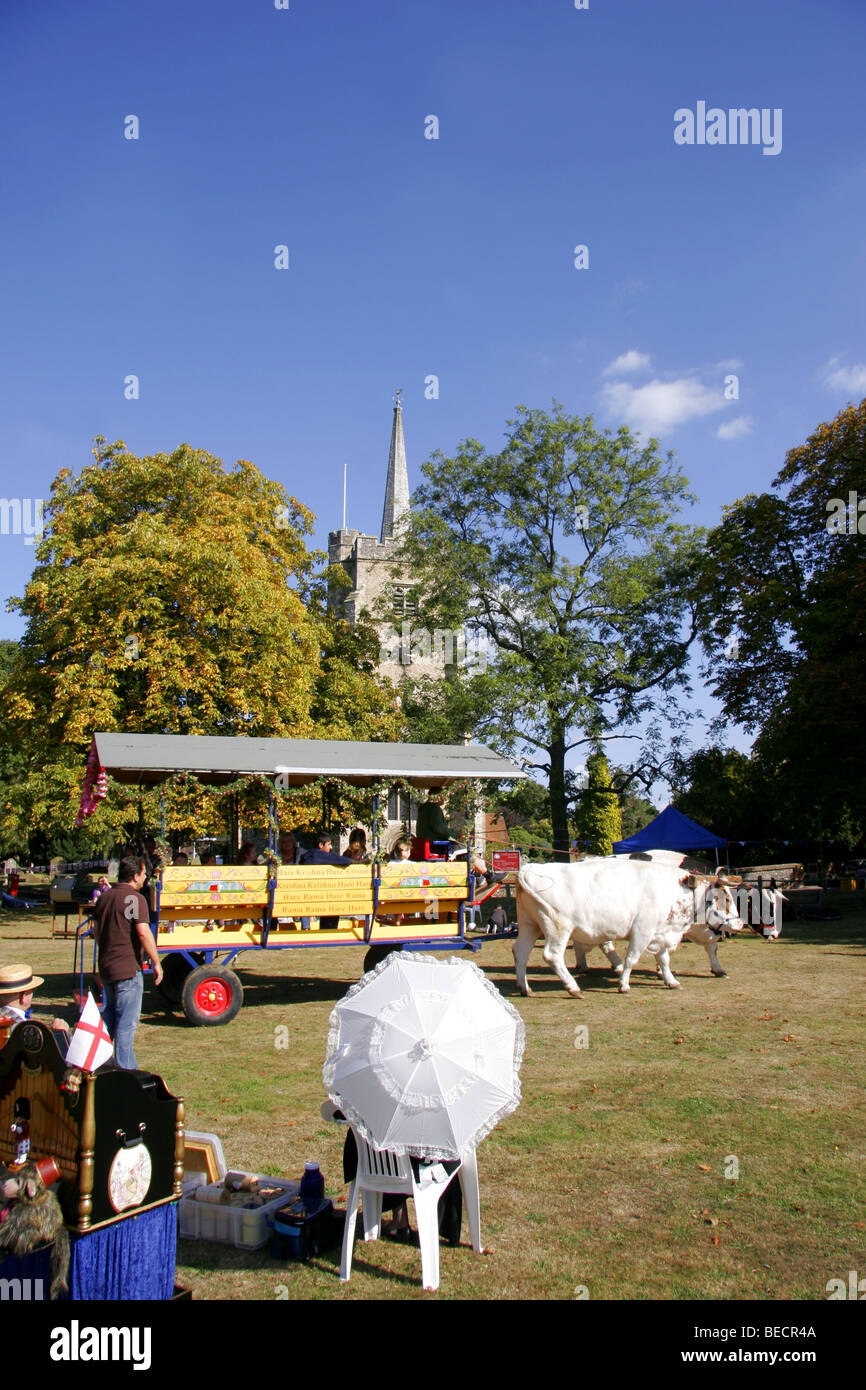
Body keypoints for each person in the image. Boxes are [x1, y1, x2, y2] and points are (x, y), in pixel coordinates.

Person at [91, 855, 163, 1070]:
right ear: (135, 875)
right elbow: (142, 932)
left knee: (110, 1018)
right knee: (126, 1026)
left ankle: (94, 1058)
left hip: (107, 968)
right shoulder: (135, 899)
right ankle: (126, 1073)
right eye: (143, 874)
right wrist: (156, 961)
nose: (145, 878)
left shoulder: (105, 897)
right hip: (128, 970)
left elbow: (96, 931)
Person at [300, 832, 353, 930]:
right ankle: (328, 929)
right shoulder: (321, 855)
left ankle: (306, 927)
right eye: (329, 844)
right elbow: (346, 861)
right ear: (320, 845)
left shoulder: (306, 857)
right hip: (321, 897)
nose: (331, 847)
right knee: (333, 900)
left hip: (305, 897)